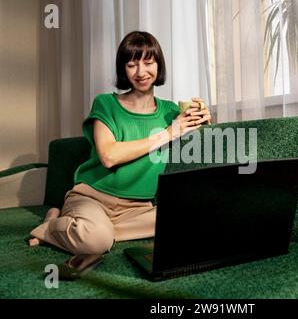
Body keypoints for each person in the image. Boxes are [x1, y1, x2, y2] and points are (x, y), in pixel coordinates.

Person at [28, 31, 211, 255]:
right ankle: (53, 222)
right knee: (95, 243)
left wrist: (203, 118)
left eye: (148, 62)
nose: (141, 72)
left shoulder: (171, 112)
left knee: (194, 217)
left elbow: (203, 145)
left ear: (158, 65)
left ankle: (94, 230)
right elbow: (109, 156)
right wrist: (168, 133)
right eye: (132, 64)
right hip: (92, 198)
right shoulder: (106, 103)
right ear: (123, 69)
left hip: (138, 208)